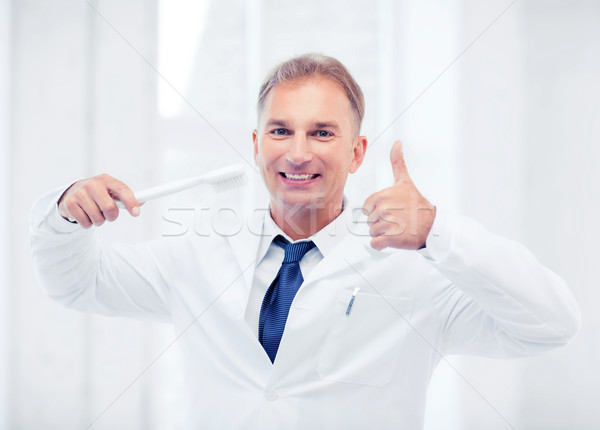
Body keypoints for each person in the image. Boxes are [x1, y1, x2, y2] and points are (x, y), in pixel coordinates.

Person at [30, 54, 581, 429]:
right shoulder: (197, 253)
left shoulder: (419, 271)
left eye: (322, 133)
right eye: (280, 131)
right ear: (255, 143)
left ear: (358, 152)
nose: (297, 153)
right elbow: (77, 285)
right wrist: (66, 213)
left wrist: (438, 230)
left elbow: (549, 325)